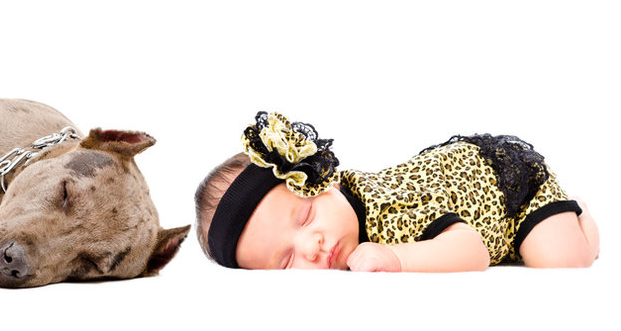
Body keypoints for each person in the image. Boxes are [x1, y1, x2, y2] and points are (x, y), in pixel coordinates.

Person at [194, 111, 600, 271]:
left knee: (564, 261)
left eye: (305, 216)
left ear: (327, 181)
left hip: (506, 187)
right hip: (480, 212)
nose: (312, 247)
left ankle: (577, 216)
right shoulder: (341, 231)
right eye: (285, 262)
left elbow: (473, 252)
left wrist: (396, 257)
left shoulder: (387, 209)